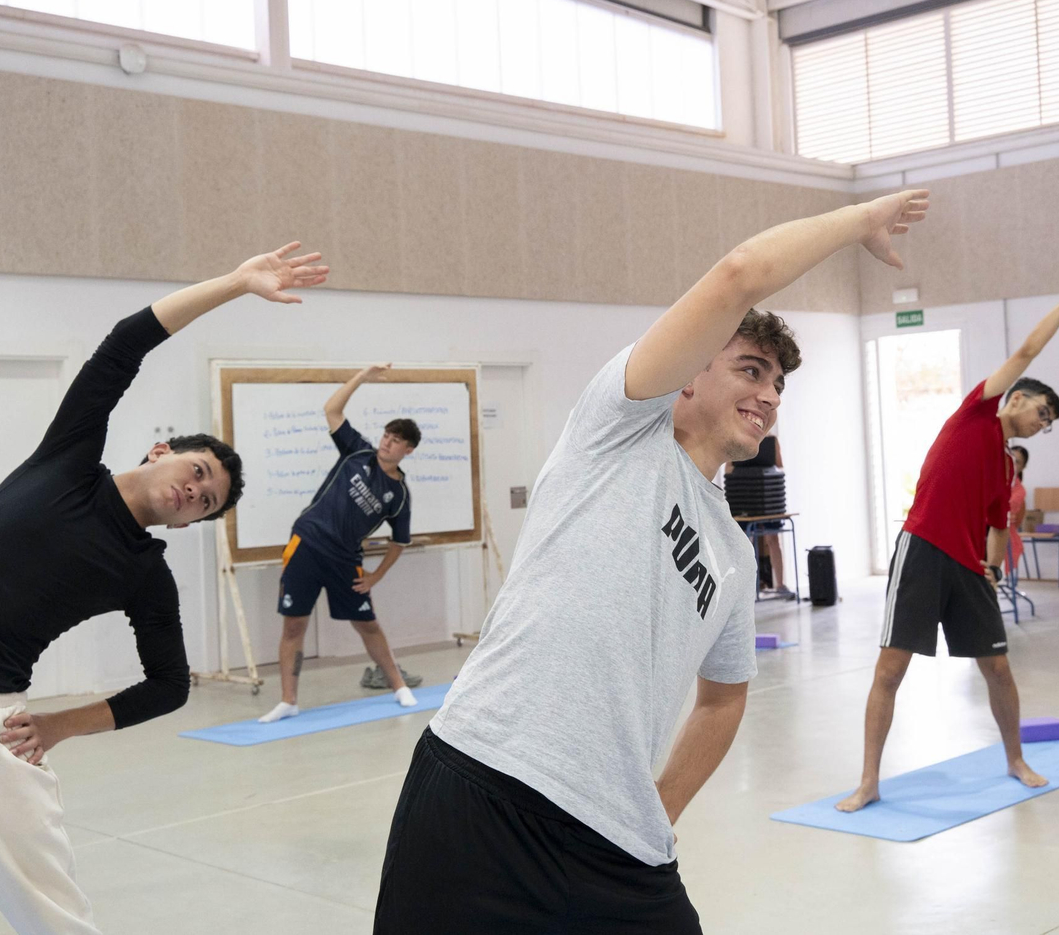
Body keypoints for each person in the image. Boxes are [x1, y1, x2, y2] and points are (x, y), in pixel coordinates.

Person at [373, 189, 931, 934]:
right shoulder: (617, 430)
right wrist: (855, 223)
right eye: (752, 369)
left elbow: (724, 698)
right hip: (481, 786)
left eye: (778, 384)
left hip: (620, 840)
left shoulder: (734, 552)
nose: (768, 396)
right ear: (691, 373)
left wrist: (661, 804)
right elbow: (738, 275)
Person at [0, 243, 327, 933]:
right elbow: (127, 343)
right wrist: (237, 283)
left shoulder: (145, 573)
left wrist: (61, 725)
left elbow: (169, 684)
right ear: (162, 451)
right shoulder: (69, 460)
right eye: (200, 470)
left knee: (51, 915)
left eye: (205, 502)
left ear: (189, 524)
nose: (196, 491)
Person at [837, 269, 1059, 813]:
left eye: (1049, 423)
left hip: (967, 568)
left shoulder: (1005, 466)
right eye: (1041, 412)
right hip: (922, 550)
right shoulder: (978, 412)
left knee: (999, 668)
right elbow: (1030, 347)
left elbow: (998, 525)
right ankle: (869, 780)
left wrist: (992, 566)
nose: (1042, 424)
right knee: (890, 671)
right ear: (1019, 399)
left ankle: (1014, 758)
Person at [259, 364, 421, 722]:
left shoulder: (399, 495)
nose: (386, 442)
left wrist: (376, 576)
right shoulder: (356, 452)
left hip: (346, 559)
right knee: (293, 624)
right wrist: (362, 377)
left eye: (395, 441)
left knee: (367, 625)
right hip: (306, 544)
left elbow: (399, 542)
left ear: (407, 450)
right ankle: (288, 700)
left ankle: (399, 686)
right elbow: (331, 410)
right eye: (386, 435)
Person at [727, 429, 790, 596]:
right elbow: (728, 469)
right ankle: (744, 588)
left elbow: (780, 467)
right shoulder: (737, 437)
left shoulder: (771, 441)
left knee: (773, 540)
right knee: (744, 543)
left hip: (768, 500)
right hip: (744, 499)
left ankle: (781, 585)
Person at [1006, 444, 1030, 577]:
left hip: (1002, 532)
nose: (1012, 463)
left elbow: (1006, 515)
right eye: (1010, 458)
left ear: (1022, 467)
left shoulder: (1019, 491)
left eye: (1017, 462)